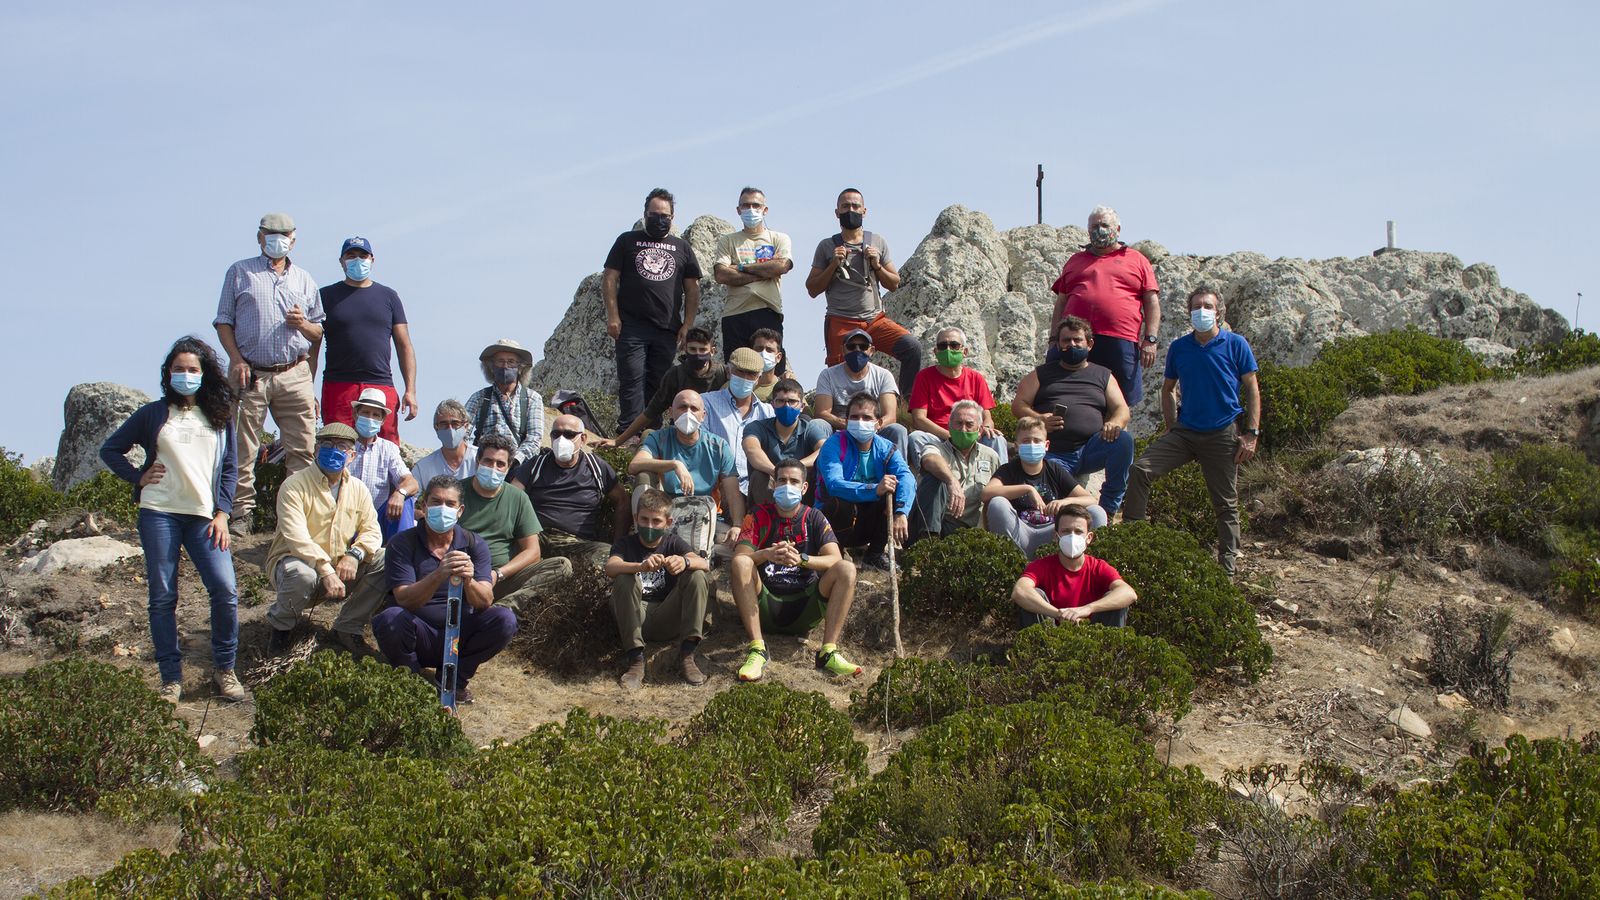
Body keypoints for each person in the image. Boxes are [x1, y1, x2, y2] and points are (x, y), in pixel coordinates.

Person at [100, 337, 244, 703]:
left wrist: (224, 513)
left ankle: (225, 670)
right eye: (178, 369)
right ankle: (170, 679)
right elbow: (110, 449)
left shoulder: (220, 416)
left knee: (225, 590)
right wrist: (138, 476)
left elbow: (230, 469)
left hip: (204, 517)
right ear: (168, 374)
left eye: (192, 369)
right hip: (159, 513)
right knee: (163, 596)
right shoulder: (153, 413)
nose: (185, 375)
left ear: (204, 374)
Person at [1123, 288, 1260, 575]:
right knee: (1140, 470)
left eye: (1207, 305)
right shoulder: (1179, 347)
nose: (1202, 310)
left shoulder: (1235, 344)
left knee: (1225, 503)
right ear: (1188, 312)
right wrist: (1172, 427)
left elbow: (1252, 388)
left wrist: (1251, 433)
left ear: (1219, 311)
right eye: (1196, 306)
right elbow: (1168, 389)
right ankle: (1131, 542)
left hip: (1222, 432)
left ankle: (1227, 570)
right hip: (1185, 431)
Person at [213, 212, 323, 534]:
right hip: (251, 372)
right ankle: (240, 513)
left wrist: (302, 323)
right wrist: (235, 358)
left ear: (294, 238)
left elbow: (318, 332)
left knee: (302, 448)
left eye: (284, 234)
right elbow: (223, 321)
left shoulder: (304, 279)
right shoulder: (239, 272)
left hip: (294, 372)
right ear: (260, 237)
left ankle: (293, 519)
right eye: (270, 234)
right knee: (243, 447)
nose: (277, 239)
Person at [374, 475, 517, 705]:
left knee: (504, 619)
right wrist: (438, 574)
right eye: (436, 502)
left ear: (460, 511)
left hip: (459, 634)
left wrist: (469, 581)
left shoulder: (474, 544)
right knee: (389, 619)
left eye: (450, 504)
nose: (443, 509)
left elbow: (484, 601)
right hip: (418, 632)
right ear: (424, 505)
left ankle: (454, 681)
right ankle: (410, 679)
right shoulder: (402, 543)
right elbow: (404, 599)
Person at [263, 422, 388, 656]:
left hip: (339, 567)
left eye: (341, 446)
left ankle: (347, 628)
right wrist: (325, 570)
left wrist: (355, 554)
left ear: (351, 455)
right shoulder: (294, 485)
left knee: (385, 559)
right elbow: (296, 536)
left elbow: (372, 530)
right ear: (316, 450)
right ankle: (280, 631)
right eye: (327, 445)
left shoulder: (358, 489)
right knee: (301, 573)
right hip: (295, 565)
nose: (334, 450)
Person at [732, 459, 862, 682]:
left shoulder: (814, 518)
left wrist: (803, 560)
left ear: (804, 488)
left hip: (805, 605)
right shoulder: (757, 514)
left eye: (794, 481)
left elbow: (835, 558)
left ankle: (828, 651)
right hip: (765, 603)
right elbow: (740, 558)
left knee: (847, 569)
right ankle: (757, 649)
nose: (787, 486)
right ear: (773, 484)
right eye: (782, 480)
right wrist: (766, 555)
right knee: (742, 563)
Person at [1011, 316, 1134, 517]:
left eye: (1077, 340)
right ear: (1058, 345)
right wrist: (1040, 419)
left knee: (1124, 441)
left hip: (1091, 447)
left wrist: (1114, 423)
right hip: (1054, 452)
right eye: (1066, 341)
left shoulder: (1103, 375)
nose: (1072, 345)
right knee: (1055, 499)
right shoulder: (1041, 374)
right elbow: (1018, 405)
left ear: (1090, 344)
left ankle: (1108, 509)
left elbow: (1122, 408)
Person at [603, 188, 704, 433]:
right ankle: (629, 432)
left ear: (673, 217)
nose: (660, 219)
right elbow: (609, 278)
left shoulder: (681, 247)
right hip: (631, 326)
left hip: (666, 328)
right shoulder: (627, 240)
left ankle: (654, 432)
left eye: (665, 215)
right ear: (645, 214)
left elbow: (692, 288)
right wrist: (613, 316)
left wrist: (687, 324)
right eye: (655, 214)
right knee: (632, 379)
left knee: (660, 382)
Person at [806, 187, 922, 396]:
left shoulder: (877, 242)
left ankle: (906, 404)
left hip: (874, 320)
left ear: (864, 211)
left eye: (855, 206)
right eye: (845, 206)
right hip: (841, 321)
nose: (851, 210)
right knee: (837, 375)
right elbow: (812, 288)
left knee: (911, 347)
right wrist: (833, 264)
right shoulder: (826, 246)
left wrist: (877, 265)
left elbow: (894, 283)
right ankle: (836, 419)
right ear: (837, 212)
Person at [1049, 205, 1161, 406]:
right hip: (1075, 340)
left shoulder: (1137, 260)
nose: (1098, 230)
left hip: (1121, 339)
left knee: (1120, 399)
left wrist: (1150, 339)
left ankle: (1118, 435)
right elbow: (1061, 302)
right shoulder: (1075, 261)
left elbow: (1151, 301)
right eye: (1094, 226)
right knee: (1068, 391)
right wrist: (1053, 339)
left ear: (1117, 229)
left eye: (1104, 225)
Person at [605, 488, 714, 689]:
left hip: (667, 616)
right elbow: (610, 567)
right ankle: (636, 659)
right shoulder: (625, 544)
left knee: (697, 575)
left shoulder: (673, 542)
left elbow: (705, 564)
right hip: (635, 616)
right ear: (636, 518)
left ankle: (687, 655)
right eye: (644, 520)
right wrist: (640, 567)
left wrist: (684, 562)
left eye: (656, 521)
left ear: (668, 523)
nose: (649, 526)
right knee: (623, 578)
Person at [318, 236, 417, 443]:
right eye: (351, 256)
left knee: (386, 446)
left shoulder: (388, 296)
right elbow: (312, 344)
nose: (357, 260)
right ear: (341, 261)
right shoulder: (325, 296)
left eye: (362, 255)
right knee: (337, 445)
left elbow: (404, 344)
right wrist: (308, 390)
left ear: (372, 259)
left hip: (380, 383)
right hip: (338, 385)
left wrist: (410, 390)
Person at [460, 435, 573, 610]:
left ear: (508, 467)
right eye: (488, 461)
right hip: (461, 577)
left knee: (561, 566)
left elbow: (533, 551)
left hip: (502, 578)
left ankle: (503, 609)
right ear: (477, 461)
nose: (493, 468)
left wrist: (498, 574)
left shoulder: (518, 497)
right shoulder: (455, 493)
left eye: (500, 464)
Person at [628, 390, 744, 558]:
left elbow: (733, 492)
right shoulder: (659, 438)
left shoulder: (718, 446)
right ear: (671, 412)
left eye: (694, 408)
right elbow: (635, 465)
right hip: (665, 514)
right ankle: (645, 537)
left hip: (704, 514)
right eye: (682, 407)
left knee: (740, 545)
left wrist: (738, 524)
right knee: (643, 475)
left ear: (703, 415)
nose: (688, 413)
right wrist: (675, 464)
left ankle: (703, 552)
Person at [511, 413, 629, 567]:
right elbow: (512, 497)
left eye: (569, 434)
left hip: (577, 543)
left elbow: (623, 501)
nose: (561, 440)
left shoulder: (597, 468)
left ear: (583, 439)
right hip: (537, 538)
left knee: (607, 556)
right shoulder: (535, 465)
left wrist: (618, 543)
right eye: (556, 434)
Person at [815, 392, 914, 571]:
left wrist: (901, 512)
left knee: (895, 492)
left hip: (869, 519)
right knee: (840, 502)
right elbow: (834, 484)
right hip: (833, 520)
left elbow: (906, 477)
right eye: (854, 417)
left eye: (867, 417)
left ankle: (874, 555)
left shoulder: (886, 448)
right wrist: (874, 488)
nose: (860, 421)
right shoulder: (834, 444)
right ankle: (834, 552)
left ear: (879, 423)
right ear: (846, 421)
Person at [982, 415, 1105, 556]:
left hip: (1053, 533)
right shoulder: (1008, 470)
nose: (1032, 445)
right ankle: (1011, 559)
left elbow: (1089, 499)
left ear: (1046, 445)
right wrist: (1028, 489)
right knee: (998, 503)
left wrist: (1065, 502)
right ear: (1016, 446)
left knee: (1097, 513)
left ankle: (1081, 565)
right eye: (1026, 441)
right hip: (1019, 533)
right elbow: (986, 493)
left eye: (1037, 441)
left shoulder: (1054, 469)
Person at [1010, 505, 1136, 628]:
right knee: (1035, 594)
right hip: (1050, 634)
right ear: (1056, 536)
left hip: (1092, 635)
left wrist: (1086, 609)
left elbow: (1128, 593)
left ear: (1089, 538)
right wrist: (1059, 614)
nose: (1072, 536)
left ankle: (1109, 649)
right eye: (1066, 531)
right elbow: (1020, 591)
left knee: (1116, 600)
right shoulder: (1041, 566)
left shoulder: (1098, 567)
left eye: (1078, 531)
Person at [607, 327, 727, 447]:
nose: (697, 354)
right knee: (647, 435)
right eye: (692, 349)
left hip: (712, 438)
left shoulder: (723, 375)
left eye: (702, 350)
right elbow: (651, 412)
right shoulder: (675, 375)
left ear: (712, 351)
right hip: (680, 435)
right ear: (685, 349)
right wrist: (618, 441)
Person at [907, 326, 1008, 464]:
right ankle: (929, 481)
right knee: (916, 437)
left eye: (954, 345)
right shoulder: (924, 377)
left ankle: (1000, 482)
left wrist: (986, 428)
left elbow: (987, 417)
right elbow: (918, 419)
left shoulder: (976, 378)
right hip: (940, 438)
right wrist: (951, 436)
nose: (948, 350)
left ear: (964, 351)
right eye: (942, 346)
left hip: (972, 437)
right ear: (935, 351)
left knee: (996, 439)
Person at [713, 186, 792, 356]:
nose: (751, 210)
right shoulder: (728, 241)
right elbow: (721, 274)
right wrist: (765, 271)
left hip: (768, 310)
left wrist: (740, 267)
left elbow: (781, 266)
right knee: (736, 370)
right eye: (746, 205)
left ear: (765, 210)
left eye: (756, 205)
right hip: (735, 313)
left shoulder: (778, 238)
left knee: (770, 368)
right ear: (738, 210)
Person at [910, 400, 1002, 542]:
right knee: (935, 478)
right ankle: (928, 543)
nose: (963, 429)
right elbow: (929, 459)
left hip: (966, 531)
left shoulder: (991, 457)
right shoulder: (936, 447)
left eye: (969, 424)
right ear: (949, 426)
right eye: (958, 423)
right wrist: (951, 481)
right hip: (934, 522)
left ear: (980, 430)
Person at [812, 328, 907, 457]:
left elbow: (890, 416)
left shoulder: (883, 375)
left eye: (862, 347)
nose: (857, 350)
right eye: (851, 346)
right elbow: (821, 413)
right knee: (817, 425)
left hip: (874, 430)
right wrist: (850, 424)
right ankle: (821, 470)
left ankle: (897, 472)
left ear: (871, 350)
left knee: (898, 430)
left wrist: (868, 427)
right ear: (843, 350)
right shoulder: (828, 375)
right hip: (839, 430)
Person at [346, 388, 420, 544]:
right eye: (365, 413)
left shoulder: (388, 448)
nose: (370, 418)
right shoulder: (343, 444)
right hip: (345, 518)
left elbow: (412, 483)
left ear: (383, 420)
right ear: (355, 414)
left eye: (376, 415)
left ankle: (401, 555)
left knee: (406, 500)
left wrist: (399, 493)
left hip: (376, 519)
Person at [743, 377, 830, 507]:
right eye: (781, 401)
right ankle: (764, 521)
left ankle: (807, 518)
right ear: (772, 404)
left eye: (792, 401)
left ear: (802, 406)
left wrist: (795, 468)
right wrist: (778, 473)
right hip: (769, 491)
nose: (786, 406)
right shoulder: (756, 427)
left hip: (801, 494)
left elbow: (825, 451)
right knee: (759, 475)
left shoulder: (809, 428)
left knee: (817, 471)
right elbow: (752, 450)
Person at [700, 347, 773, 496]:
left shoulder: (768, 412)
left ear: (758, 378)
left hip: (755, 487)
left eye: (751, 374)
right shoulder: (706, 403)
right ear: (728, 371)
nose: (745, 377)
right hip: (718, 486)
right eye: (740, 371)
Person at [464, 338, 544, 469]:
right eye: (500, 361)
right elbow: (463, 431)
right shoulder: (479, 398)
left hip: (517, 469)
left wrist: (513, 461)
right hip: (483, 465)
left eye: (511, 361)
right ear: (491, 366)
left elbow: (534, 438)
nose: (505, 366)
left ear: (520, 367)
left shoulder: (532, 399)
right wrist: (478, 458)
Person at [410, 399, 477, 487]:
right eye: (443, 424)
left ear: (466, 426)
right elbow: (413, 498)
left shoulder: (480, 458)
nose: (450, 429)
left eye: (455, 423)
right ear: (436, 428)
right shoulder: (423, 467)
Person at [748, 327, 794, 402]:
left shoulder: (789, 386)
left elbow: (805, 412)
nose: (763, 353)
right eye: (759, 349)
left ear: (778, 357)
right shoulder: (737, 385)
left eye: (769, 350)